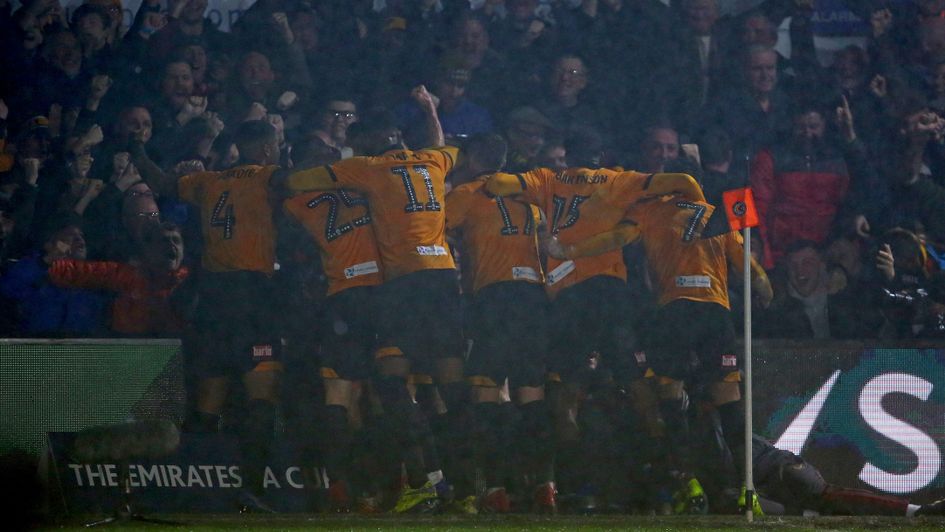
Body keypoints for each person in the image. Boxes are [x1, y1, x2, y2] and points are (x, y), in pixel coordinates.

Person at [483, 126, 706, 506]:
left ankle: (574, 485)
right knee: (637, 386)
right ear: (600, 157)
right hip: (611, 293)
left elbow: (499, 185)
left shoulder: (549, 179)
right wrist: (697, 207)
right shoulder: (619, 180)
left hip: (571, 299)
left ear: (568, 154)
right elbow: (683, 180)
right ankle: (676, 481)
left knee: (567, 391)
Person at [540, 181, 773, 514]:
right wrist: (766, 290)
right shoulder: (713, 215)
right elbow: (749, 268)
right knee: (728, 398)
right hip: (714, 312)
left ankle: (685, 481)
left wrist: (570, 251)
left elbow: (618, 238)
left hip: (675, 309)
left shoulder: (650, 210)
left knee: (669, 392)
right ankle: (745, 489)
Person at [287, 86, 462, 513]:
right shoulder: (416, 167)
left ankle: (350, 489)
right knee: (406, 388)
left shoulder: (329, 187)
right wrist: (431, 110)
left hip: (348, 298)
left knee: (344, 394)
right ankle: (436, 479)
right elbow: (440, 146)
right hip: (400, 288)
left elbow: (293, 190)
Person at [445, 133, 553, 513]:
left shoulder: (468, 193)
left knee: (486, 390)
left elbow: (435, 225)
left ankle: (496, 488)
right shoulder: (524, 194)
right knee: (531, 391)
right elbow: (545, 241)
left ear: (473, 158)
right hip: (534, 295)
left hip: (495, 296)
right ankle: (544, 485)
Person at [282, 145, 381, 512]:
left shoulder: (295, 207)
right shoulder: (365, 193)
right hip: (379, 295)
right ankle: (379, 483)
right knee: (374, 393)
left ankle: (342, 483)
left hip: (334, 304)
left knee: (338, 395)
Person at [48, 221, 189, 336]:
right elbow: (87, 272)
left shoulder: (190, 284)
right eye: (164, 240)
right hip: (126, 350)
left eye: (176, 241)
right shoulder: (127, 275)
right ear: (148, 250)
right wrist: (51, 264)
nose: (172, 245)